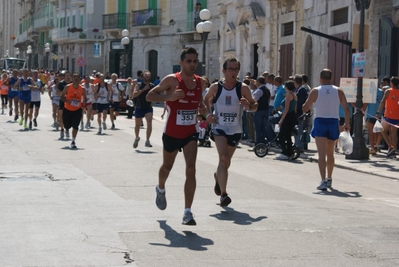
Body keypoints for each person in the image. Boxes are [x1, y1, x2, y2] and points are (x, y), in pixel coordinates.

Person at [146, 47, 207, 226]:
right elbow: (150, 95)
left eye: (195, 61)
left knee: (191, 169)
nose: (192, 64)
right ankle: (161, 188)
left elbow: (200, 103)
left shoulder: (200, 82)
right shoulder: (172, 80)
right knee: (167, 167)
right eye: (188, 61)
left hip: (190, 132)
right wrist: (170, 96)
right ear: (181, 62)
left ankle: (187, 212)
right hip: (172, 132)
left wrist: (203, 110)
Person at [205, 57, 258, 207]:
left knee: (226, 162)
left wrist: (249, 105)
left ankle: (218, 177)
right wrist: (208, 114)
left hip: (235, 129)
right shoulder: (216, 87)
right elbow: (205, 100)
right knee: (223, 158)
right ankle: (223, 195)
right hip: (219, 127)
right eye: (230, 69)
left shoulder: (243, 88)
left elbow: (255, 106)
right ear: (224, 71)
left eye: (236, 69)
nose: (233, 72)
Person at [302, 69, 350, 191]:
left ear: (320, 78)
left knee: (321, 154)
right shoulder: (339, 91)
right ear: (331, 78)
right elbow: (346, 108)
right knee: (330, 153)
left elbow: (305, 108)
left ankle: (323, 180)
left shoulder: (315, 91)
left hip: (320, 122)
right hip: (333, 121)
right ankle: (329, 178)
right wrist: (347, 123)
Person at [60, 73, 87, 149]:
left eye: (77, 77)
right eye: (74, 77)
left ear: (79, 79)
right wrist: (66, 100)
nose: (76, 78)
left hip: (77, 110)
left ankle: (73, 141)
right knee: (67, 125)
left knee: (75, 126)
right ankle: (66, 129)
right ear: (72, 79)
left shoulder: (82, 89)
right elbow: (61, 97)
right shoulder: (67, 87)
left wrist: (84, 104)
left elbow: (85, 98)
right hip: (67, 109)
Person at [376, 76, 399, 157]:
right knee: (394, 133)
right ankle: (394, 150)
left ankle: (390, 146)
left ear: (391, 83)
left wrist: (378, 112)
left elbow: (382, 102)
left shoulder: (388, 91)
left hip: (388, 115)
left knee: (382, 130)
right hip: (397, 116)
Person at [275, 81, 298, 160]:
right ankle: (289, 152)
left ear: (287, 87)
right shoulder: (294, 95)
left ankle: (284, 152)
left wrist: (281, 120)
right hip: (292, 116)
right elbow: (295, 108)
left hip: (287, 116)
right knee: (288, 135)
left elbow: (286, 108)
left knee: (281, 135)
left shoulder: (289, 95)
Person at [132, 70, 154, 148]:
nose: (147, 76)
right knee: (137, 125)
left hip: (148, 108)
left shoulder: (152, 86)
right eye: (146, 75)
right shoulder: (139, 85)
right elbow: (134, 94)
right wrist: (144, 89)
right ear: (142, 76)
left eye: (149, 75)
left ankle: (147, 140)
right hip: (139, 107)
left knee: (149, 123)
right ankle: (137, 137)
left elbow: (156, 94)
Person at [252, 76, 271, 146]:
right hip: (266, 110)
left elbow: (254, 100)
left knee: (258, 128)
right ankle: (263, 142)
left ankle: (257, 143)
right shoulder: (267, 90)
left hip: (259, 111)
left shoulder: (259, 90)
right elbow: (268, 100)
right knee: (264, 127)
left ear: (258, 82)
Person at [294, 74, 308, 152]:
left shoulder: (301, 90)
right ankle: (297, 144)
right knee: (296, 130)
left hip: (299, 113)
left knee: (299, 130)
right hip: (296, 113)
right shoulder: (297, 89)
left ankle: (299, 146)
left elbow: (301, 102)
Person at [57, 71, 72, 139]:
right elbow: (58, 92)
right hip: (62, 101)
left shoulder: (72, 83)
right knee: (61, 116)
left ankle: (67, 129)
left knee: (68, 117)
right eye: (66, 75)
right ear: (64, 76)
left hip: (70, 102)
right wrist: (63, 94)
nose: (68, 77)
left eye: (69, 75)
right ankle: (62, 129)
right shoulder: (61, 83)